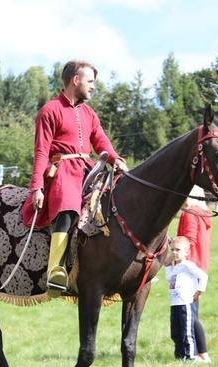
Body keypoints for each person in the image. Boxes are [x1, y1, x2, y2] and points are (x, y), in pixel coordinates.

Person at [22, 60, 127, 297]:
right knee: (68, 205)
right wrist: (36, 187)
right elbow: (41, 151)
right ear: (75, 80)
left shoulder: (89, 113)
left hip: (87, 167)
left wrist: (116, 159)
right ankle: (55, 270)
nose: (93, 87)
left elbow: (101, 142)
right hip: (62, 171)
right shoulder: (49, 110)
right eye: (90, 81)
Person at [176, 186, 213, 363]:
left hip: (189, 268)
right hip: (200, 265)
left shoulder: (190, 213)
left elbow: (189, 240)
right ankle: (197, 352)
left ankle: (203, 354)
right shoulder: (203, 214)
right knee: (192, 311)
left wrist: (172, 259)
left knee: (191, 313)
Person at [165, 236, 208, 363]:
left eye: (178, 250)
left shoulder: (188, 265)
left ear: (187, 252)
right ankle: (179, 355)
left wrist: (198, 292)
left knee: (187, 331)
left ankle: (191, 357)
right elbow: (169, 278)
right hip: (175, 303)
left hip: (185, 303)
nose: (174, 253)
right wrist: (167, 264)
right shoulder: (175, 268)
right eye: (172, 249)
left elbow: (203, 276)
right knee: (176, 331)